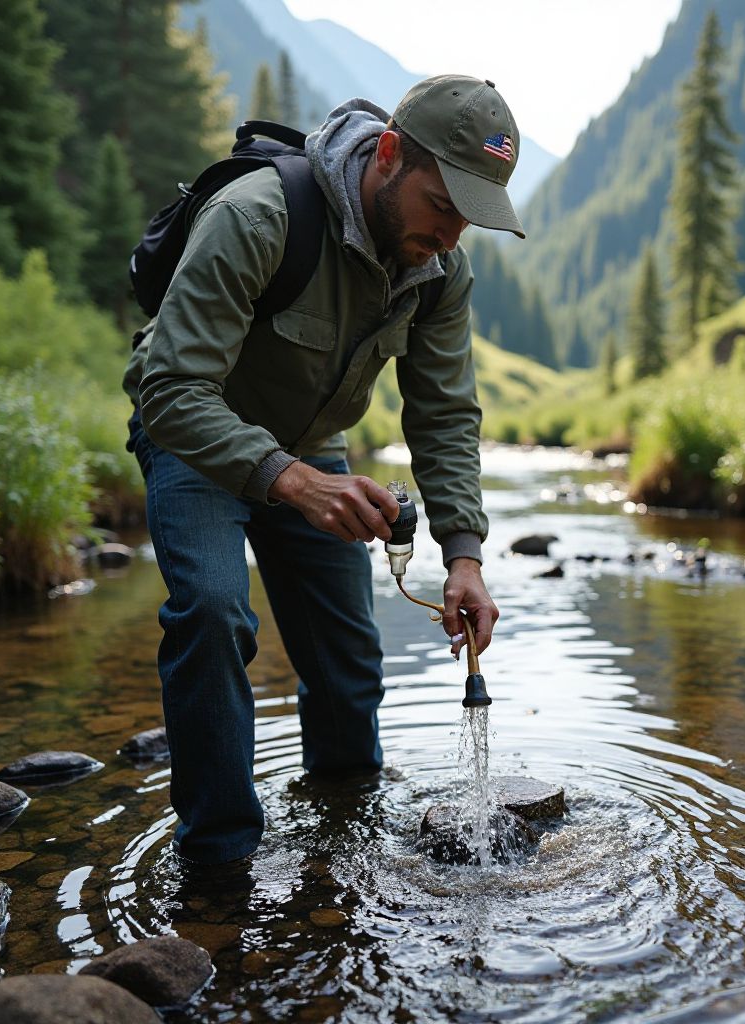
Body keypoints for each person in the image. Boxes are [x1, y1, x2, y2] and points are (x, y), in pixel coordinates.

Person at [122, 75, 525, 865]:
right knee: (210, 610)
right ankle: (219, 863)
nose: (450, 236)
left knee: (347, 664)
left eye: (469, 220)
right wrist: (292, 480)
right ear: (387, 156)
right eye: (442, 206)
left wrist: (465, 559)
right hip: (197, 433)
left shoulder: (442, 271)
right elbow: (168, 390)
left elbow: (443, 418)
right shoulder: (258, 215)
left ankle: (344, 848)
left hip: (314, 447)